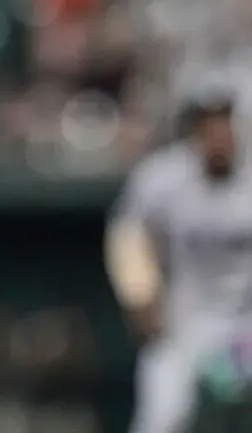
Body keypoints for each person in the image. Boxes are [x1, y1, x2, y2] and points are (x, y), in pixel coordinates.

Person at [105, 77, 252, 433]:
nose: (218, 132)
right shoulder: (163, 176)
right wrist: (141, 296)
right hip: (184, 323)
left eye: (224, 121)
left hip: (246, 325)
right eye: (208, 123)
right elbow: (127, 235)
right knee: (161, 417)